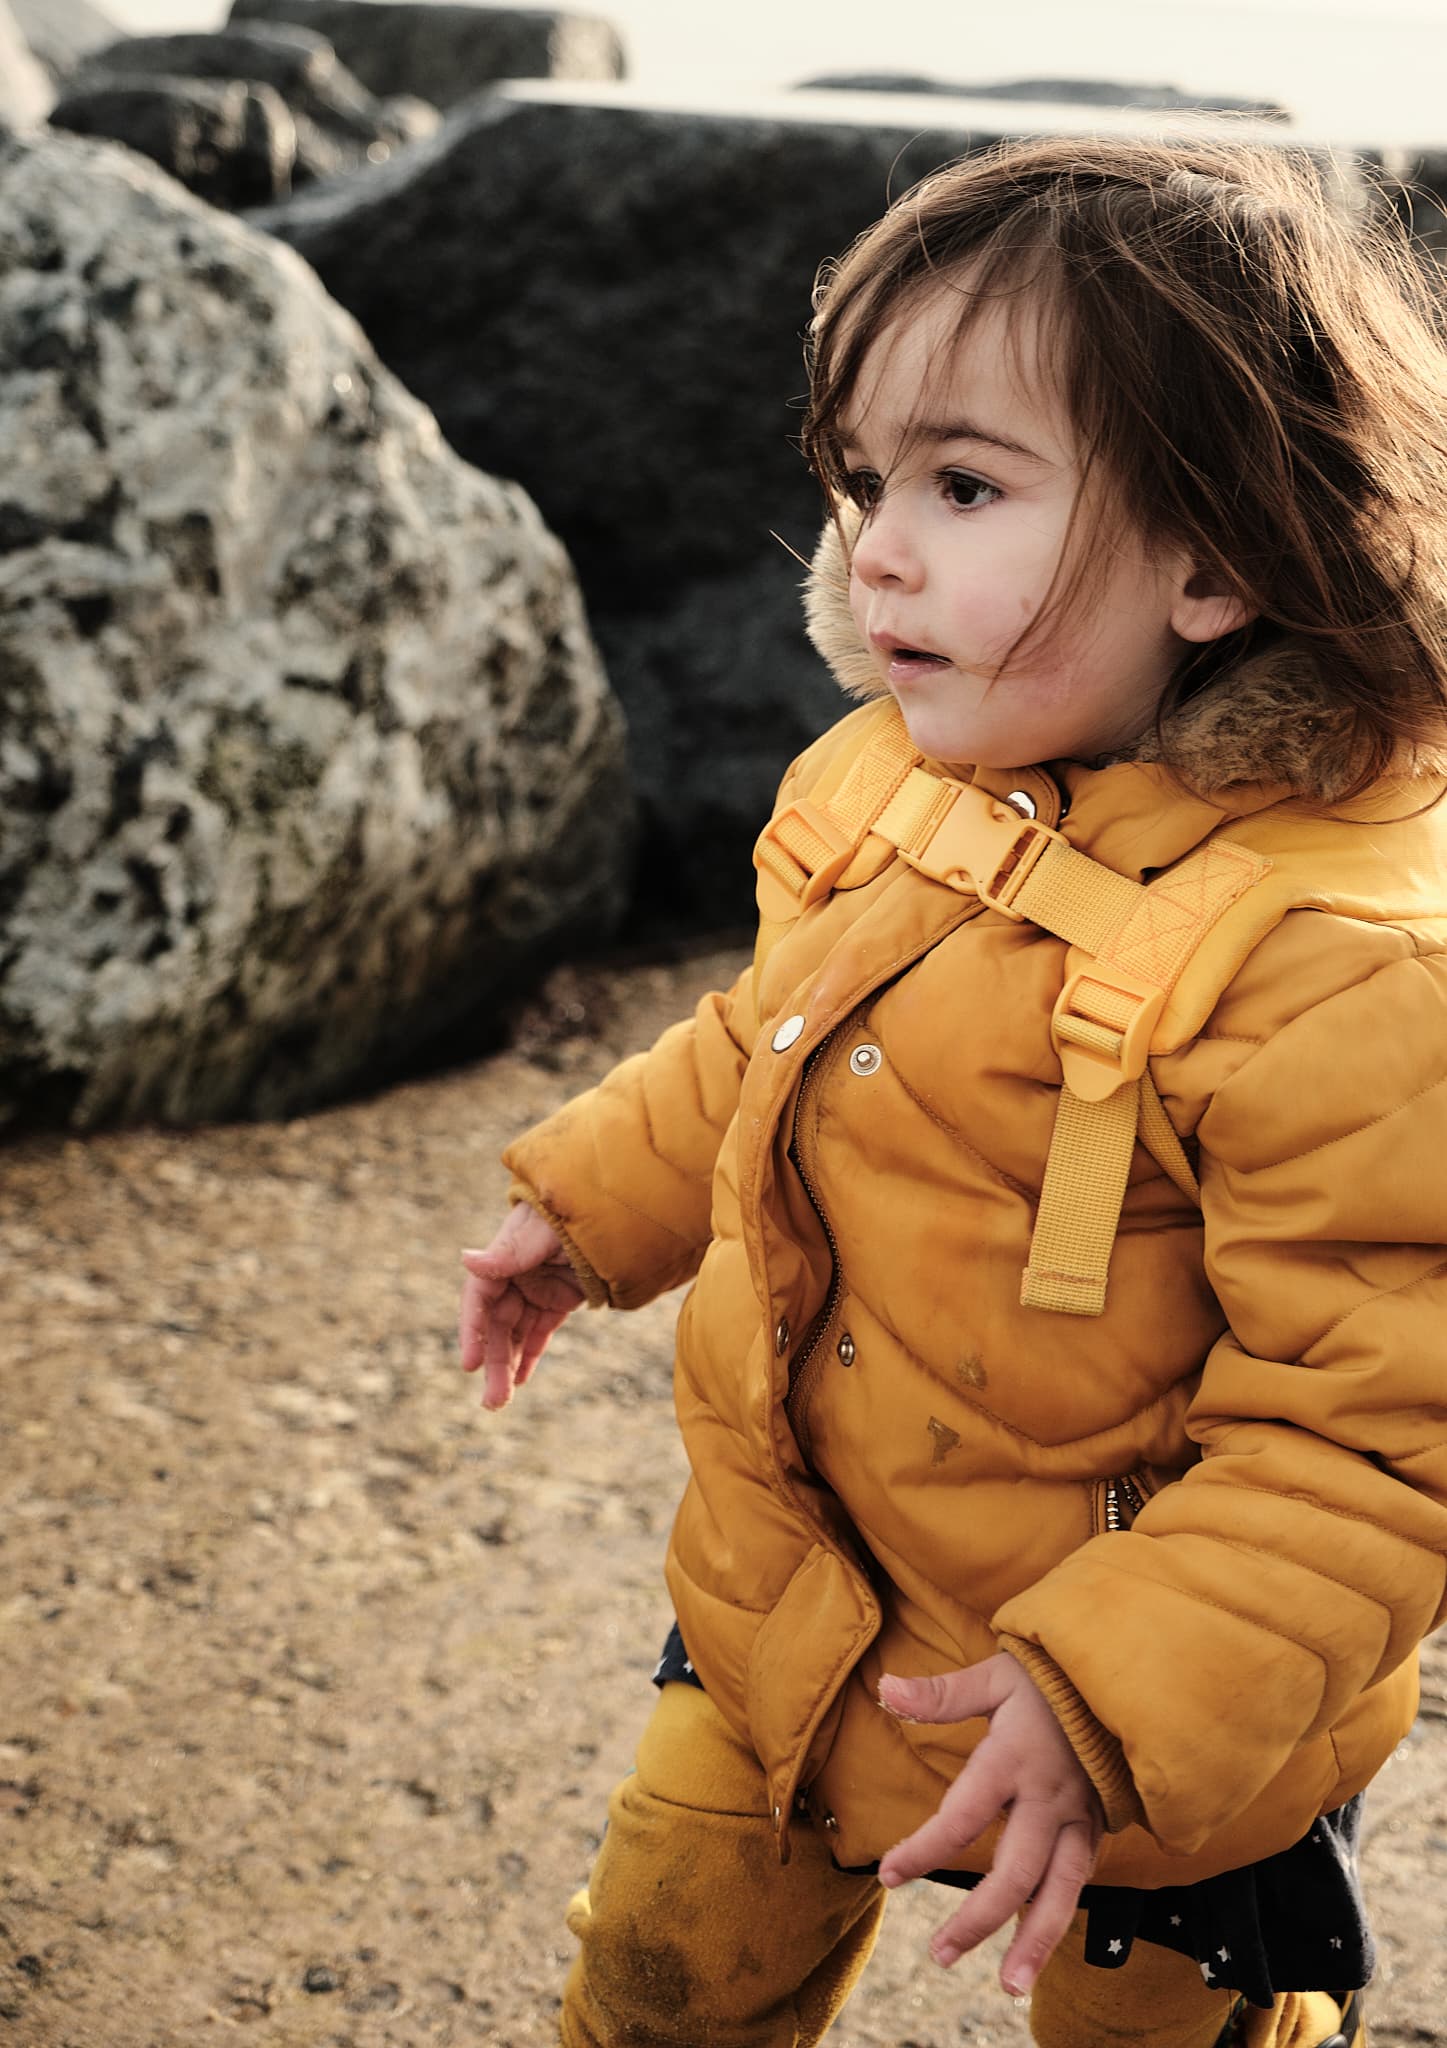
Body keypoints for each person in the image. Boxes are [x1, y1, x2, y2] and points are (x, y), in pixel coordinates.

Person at [457, 136, 1447, 2048]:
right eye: (864, 480)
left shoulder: (1344, 976)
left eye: (966, 485)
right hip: (795, 1601)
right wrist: (588, 1206)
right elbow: (770, 1037)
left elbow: (1382, 1439)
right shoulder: (895, 785)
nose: (874, 549)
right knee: (661, 1981)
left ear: (1218, 561)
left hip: (1160, 1733)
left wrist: (1116, 1693)